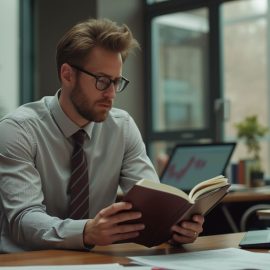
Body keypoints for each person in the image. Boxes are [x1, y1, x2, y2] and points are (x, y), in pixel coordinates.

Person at [0, 18, 204, 253]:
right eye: (102, 81)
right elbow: (23, 220)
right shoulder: (17, 130)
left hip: (96, 260)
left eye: (116, 82)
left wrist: (175, 227)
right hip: (25, 262)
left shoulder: (122, 127)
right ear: (67, 74)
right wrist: (86, 231)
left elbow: (153, 201)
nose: (111, 94)